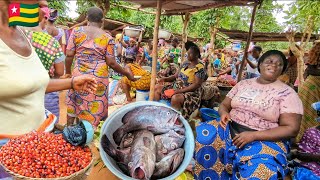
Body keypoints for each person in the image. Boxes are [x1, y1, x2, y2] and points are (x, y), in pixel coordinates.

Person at [195, 50, 303, 179]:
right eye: (270, 61)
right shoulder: (243, 84)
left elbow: (291, 129)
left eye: (279, 64)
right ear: (260, 65)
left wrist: (254, 135)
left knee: (261, 170)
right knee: (201, 134)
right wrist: (224, 113)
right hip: (229, 129)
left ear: (282, 69)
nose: (274, 66)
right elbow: (224, 105)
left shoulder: (287, 93)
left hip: (264, 138)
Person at [0, 0, 97, 138]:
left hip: (38, 139)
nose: (45, 3)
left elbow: (30, 84)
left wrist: (71, 83)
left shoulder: (22, 34)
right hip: (7, 149)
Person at [65, 7, 136, 128]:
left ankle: (70, 130)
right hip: (98, 78)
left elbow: (69, 55)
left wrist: (68, 73)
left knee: (75, 102)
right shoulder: (107, 38)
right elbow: (112, 63)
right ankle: (92, 135)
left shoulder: (76, 32)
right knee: (96, 106)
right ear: (102, 21)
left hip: (79, 74)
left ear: (87, 18)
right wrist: (127, 73)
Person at [22, 5, 65, 119]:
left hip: (23, 91)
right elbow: (60, 71)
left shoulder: (20, 35)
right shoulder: (52, 42)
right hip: (47, 90)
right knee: (48, 126)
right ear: (44, 19)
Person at [154, 45, 208, 119]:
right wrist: (164, 79)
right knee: (156, 88)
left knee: (175, 98)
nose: (187, 55)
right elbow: (176, 76)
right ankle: (156, 111)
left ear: (196, 55)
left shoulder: (200, 68)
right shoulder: (185, 63)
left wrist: (179, 91)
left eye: (190, 53)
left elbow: (196, 85)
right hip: (176, 87)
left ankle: (174, 120)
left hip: (190, 92)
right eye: (187, 53)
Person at [296, 42, 320, 142]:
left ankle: (306, 140)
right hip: (312, 91)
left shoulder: (311, 66)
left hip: (308, 90)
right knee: (313, 117)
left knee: (306, 116)